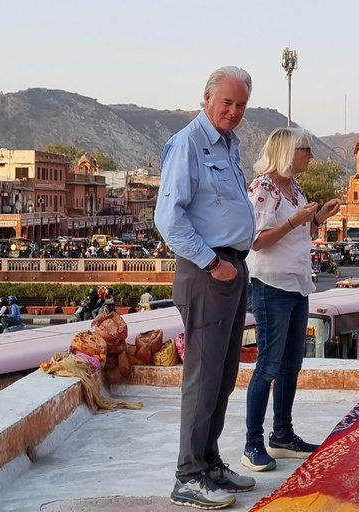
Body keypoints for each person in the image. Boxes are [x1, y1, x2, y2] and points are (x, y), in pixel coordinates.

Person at [155, 65, 256, 509]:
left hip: (232, 269)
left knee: (223, 376)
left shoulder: (229, 145)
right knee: (203, 377)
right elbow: (168, 219)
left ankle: (210, 462)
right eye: (227, 103)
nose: (233, 112)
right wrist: (212, 262)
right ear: (207, 98)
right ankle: (188, 475)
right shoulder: (188, 144)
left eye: (241, 105)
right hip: (208, 272)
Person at [241, 127, 340, 473]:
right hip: (270, 285)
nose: (311, 157)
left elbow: (300, 231)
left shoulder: (292, 187)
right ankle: (252, 442)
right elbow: (256, 240)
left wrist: (316, 219)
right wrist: (297, 220)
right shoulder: (263, 188)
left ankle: (282, 435)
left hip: (296, 284)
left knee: (291, 365)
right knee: (269, 365)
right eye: (306, 150)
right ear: (287, 151)